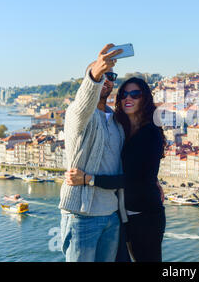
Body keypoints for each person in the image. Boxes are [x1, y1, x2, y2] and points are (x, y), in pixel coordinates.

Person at [65, 77, 167, 262]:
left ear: (144, 99)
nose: (128, 98)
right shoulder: (122, 127)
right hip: (122, 215)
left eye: (135, 94)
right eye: (124, 94)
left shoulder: (149, 133)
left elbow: (134, 179)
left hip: (145, 215)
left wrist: (89, 179)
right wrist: (154, 180)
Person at [58, 43, 129, 262]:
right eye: (103, 75)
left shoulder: (117, 122)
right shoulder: (77, 116)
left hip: (111, 213)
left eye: (112, 76)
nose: (108, 80)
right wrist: (95, 74)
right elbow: (83, 104)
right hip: (82, 214)